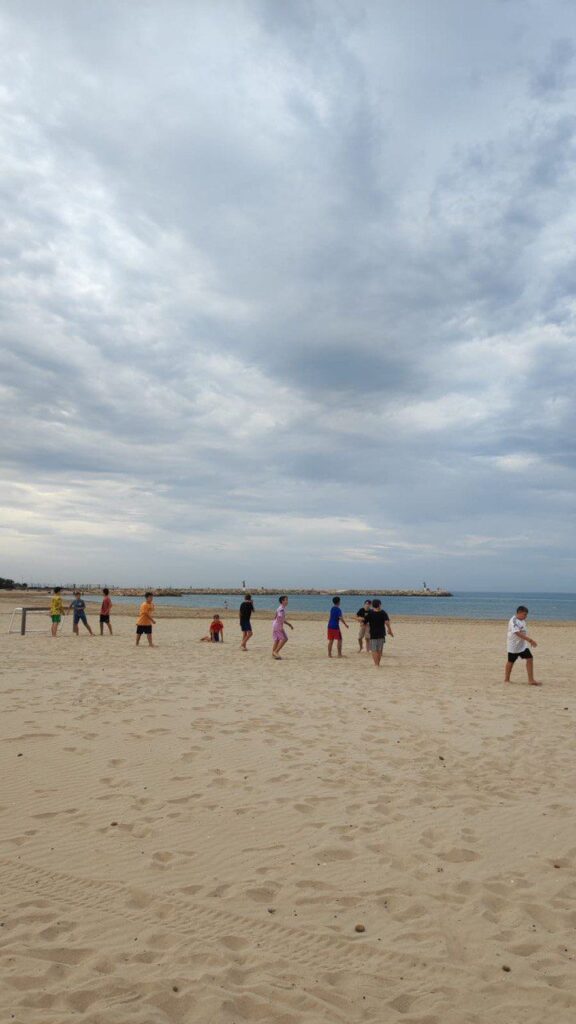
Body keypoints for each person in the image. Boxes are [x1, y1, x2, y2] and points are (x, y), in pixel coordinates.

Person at [505, 605, 541, 685]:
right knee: (511, 661)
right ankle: (506, 679)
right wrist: (530, 640)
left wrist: (527, 640)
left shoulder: (522, 620)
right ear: (519, 613)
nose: (526, 616)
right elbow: (517, 633)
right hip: (514, 646)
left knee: (530, 658)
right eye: (524, 614)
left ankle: (531, 680)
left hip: (522, 645)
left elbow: (523, 631)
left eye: (526, 615)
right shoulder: (513, 621)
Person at [366, 598, 394, 667]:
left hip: (373, 633)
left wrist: (360, 620)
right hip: (381, 633)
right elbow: (387, 622)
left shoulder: (370, 613)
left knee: (374, 650)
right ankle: (378, 663)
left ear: (373, 605)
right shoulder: (383, 612)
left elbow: (365, 621)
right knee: (379, 650)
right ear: (379, 605)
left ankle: (376, 664)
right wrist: (390, 630)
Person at [272, 595, 293, 660]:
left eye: (287, 600)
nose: (287, 601)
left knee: (277, 640)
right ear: (282, 601)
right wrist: (282, 627)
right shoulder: (281, 609)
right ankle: (276, 652)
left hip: (275, 625)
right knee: (285, 639)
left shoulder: (280, 608)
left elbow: (275, 616)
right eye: (286, 600)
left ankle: (273, 653)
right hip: (278, 626)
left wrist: (288, 624)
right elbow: (280, 618)